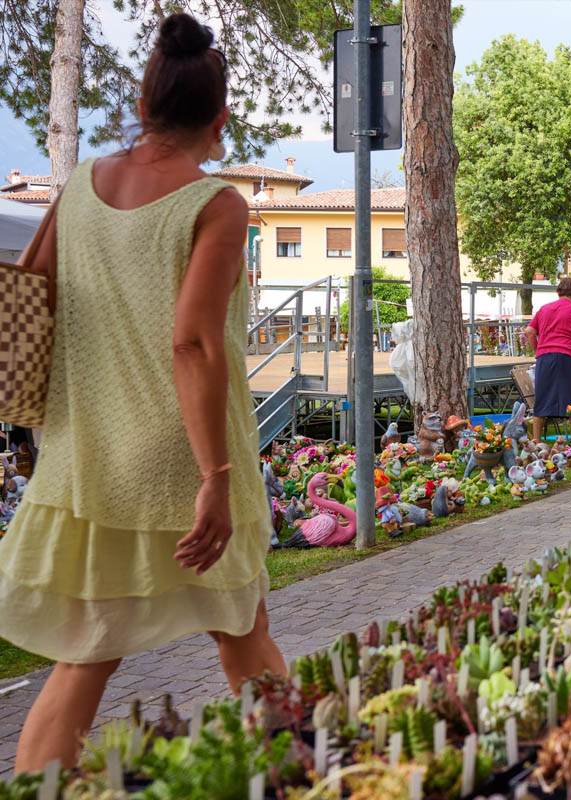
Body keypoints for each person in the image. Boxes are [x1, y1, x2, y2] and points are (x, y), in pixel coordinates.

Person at [1, 14, 285, 772]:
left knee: (86, 657)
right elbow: (191, 341)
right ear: (220, 118)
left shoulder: (80, 188)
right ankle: (301, 773)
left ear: (142, 101)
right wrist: (217, 478)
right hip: (181, 458)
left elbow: (34, 295)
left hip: (93, 461)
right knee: (242, 631)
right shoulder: (215, 205)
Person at [524, 276, 571, 442]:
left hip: (546, 358)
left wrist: (538, 350)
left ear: (558, 292)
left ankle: (536, 441)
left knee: (542, 400)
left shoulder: (544, 309)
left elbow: (529, 331)